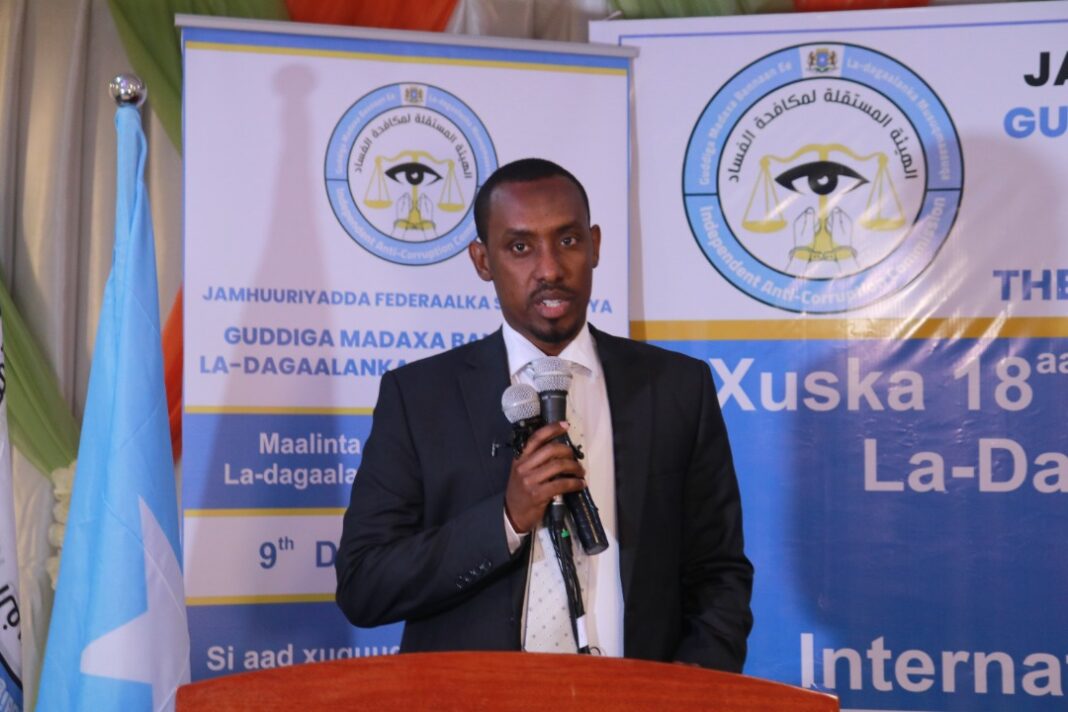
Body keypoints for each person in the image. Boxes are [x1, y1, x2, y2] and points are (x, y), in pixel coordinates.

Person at [336, 158, 753, 671]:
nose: (550, 269)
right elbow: (364, 584)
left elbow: (718, 574)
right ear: (482, 260)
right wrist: (506, 520)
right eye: (520, 247)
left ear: (595, 246)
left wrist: (689, 696)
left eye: (568, 240)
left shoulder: (676, 388)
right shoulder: (419, 398)